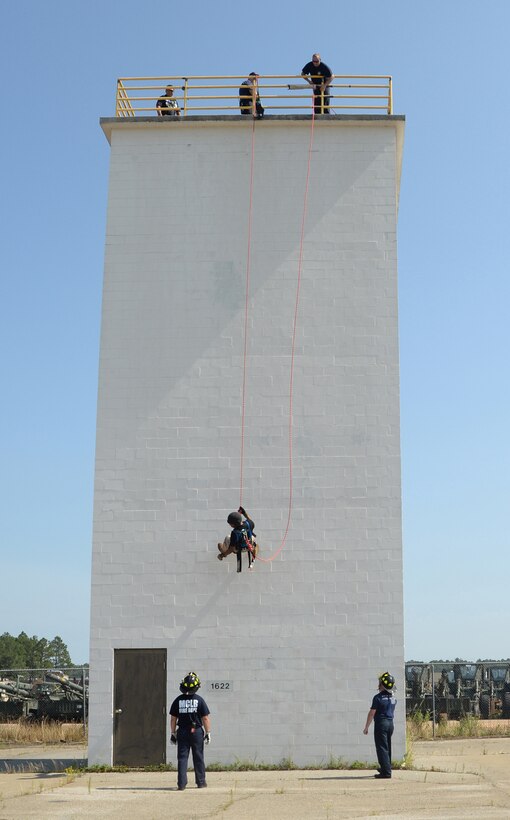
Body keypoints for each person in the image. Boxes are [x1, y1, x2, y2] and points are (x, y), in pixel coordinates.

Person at [170, 672, 211, 791]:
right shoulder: (200, 700)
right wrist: (208, 732)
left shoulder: (177, 700)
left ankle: (181, 784)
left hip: (182, 732)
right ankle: (201, 782)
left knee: (182, 758)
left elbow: (173, 718)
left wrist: (172, 733)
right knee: (198, 757)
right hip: (197, 732)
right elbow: (205, 718)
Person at [363, 672, 397, 779]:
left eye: (380, 682)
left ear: (382, 684)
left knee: (381, 747)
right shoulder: (393, 698)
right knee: (387, 747)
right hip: (390, 723)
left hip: (381, 724)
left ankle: (386, 772)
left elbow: (372, 713)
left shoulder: (377, 698)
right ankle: (386, 767)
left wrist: (366, 727)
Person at [217, 506, 258, 571]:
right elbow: (250, 520)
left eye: (230, 523)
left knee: (227, 538)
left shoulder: (235, 532)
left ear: (233, 524)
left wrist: (222, 555)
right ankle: (254, 551)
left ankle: (224, 550)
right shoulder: (248, 523)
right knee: (253, 537)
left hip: (239, 549)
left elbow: (231, 549)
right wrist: (244, 513)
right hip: (249, 546)